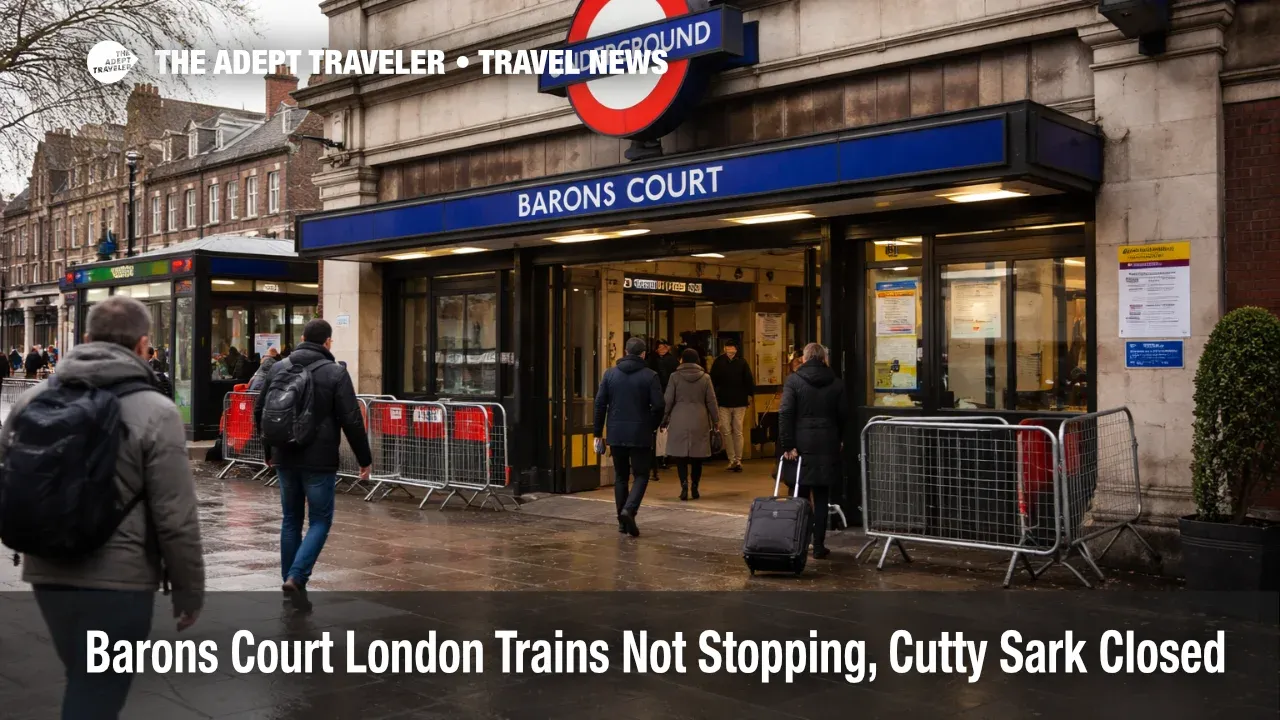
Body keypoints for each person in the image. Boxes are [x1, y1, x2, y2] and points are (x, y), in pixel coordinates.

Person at [0, 295, 205, 718]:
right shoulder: (157, 411)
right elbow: (175, 515)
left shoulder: (33, 399)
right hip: (121, 580)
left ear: (87, 338)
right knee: (97, 692)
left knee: (85, 680)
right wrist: (188, 590)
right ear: (143, 344)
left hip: (46, 571)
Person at [254, 319, 371, 612]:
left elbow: (261, 410)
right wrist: (364, 459)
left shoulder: (279, 368)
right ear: (327, 342)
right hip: (319, 459)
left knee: (290, 519)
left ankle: (290, 579)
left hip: (284, 454)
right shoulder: (335, 372)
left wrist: (269, 450)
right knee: (320, 520)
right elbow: (352, 419)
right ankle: (296, 576)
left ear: (303, 337)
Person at [778, 343, 848, 560]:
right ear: (824, 359)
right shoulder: (836, 383)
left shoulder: (794, 381)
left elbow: (785, 412)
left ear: (805, 359)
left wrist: (787, 444)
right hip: (827, 442)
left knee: (800, 495)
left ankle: (800, 541)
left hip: (801, 444)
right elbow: (843, 415)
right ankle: (819, 544)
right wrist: (840, 439)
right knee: (821, 495)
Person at [592, 336, 664, 537]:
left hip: (616, 432)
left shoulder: (610, 374)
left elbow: (600, 404)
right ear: (643, 354)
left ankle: (622, 522)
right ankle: (629, 510)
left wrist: (597, 432)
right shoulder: (650, 376)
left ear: (625, 352)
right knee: (641, 475)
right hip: (640, 432)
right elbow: (659, 405)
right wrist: (651, 426)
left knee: (621, 476)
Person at [662, 348, 720, 502]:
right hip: (700, 420)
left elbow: (668, 400)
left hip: (679, 419)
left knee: (680, 456)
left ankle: (683, 485)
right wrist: (716, 421)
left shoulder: (674, 377)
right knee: (697, 456)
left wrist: (664, 418)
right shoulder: (705, 378)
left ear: (682, 360)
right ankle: (695, 486)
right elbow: (711, 401)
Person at [709, 339, 754, 472]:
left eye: (731, 347)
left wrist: (750, 395)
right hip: (723, 402)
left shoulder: (742, 362)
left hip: (740, 402)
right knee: (726, 431)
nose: (729, 350)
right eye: (727, 347)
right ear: (724, 349)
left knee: (738, 430)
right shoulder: (718, 362)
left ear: (736, 349)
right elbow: (712, 380)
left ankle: (738, 460)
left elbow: (748, 380)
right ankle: (732, 459)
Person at [648, 339, 679, 481]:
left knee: (664, 428)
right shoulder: (652, 360)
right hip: (658, 397)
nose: (662, 349)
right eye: (659, 347)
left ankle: (664, 455)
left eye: (664, 347)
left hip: (665, 397)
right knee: (660, 428)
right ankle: (659, 456)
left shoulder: (671, 361)